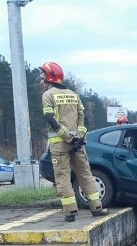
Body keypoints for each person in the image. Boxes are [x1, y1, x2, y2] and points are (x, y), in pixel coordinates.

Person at [39, 61, 108, 222]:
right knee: (85, 174)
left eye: (43, 77)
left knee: (62, 177)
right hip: (78, 144)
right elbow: (84, 120)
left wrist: (67, 137)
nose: (41, 80)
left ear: (50, 77)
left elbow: (50, 119)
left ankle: (70, 212)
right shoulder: (74, 95)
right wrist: (79, 138)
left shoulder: (48, 95)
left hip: (60, 144)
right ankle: (96, 207)